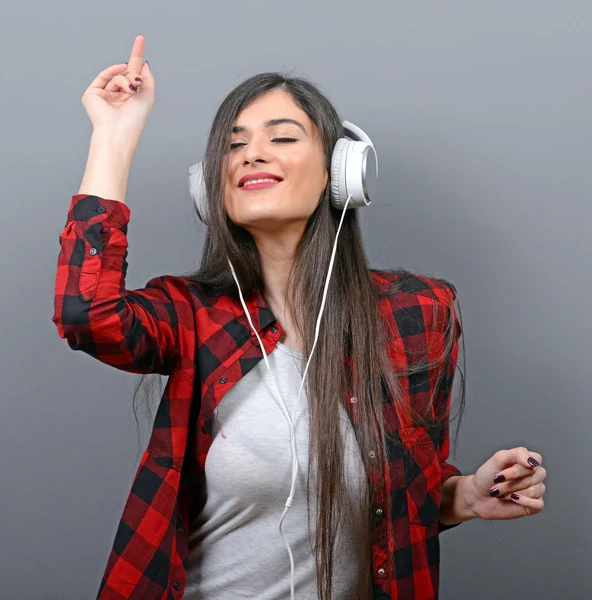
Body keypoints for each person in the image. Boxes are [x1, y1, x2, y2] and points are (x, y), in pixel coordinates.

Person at [52, 34, 546, 600]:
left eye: (281, 138)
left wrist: (466, 496)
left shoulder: (419, 313)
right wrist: (114, 135)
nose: (250, 155)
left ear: (344, 172)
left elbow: (406, 495)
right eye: (233, 148)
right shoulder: (192, 315)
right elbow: (85, 313)